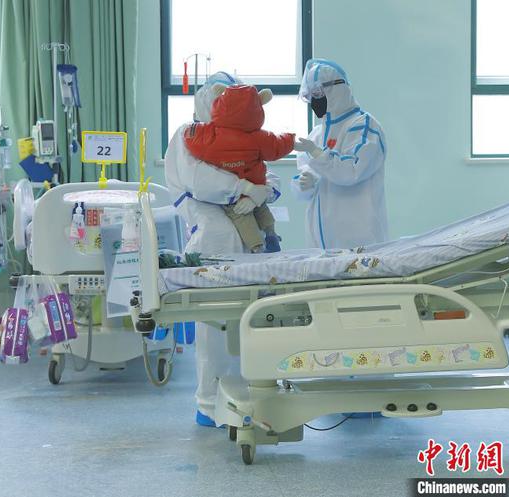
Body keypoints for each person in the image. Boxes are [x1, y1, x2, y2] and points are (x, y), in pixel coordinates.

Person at [164, 72, 280, 427]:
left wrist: (263, 192)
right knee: (216, 325)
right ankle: (209, 400)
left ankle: (257, 391)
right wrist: (243, 187)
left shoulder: (243, 136)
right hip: (211, 232)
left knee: (253, 319)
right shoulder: (189, 135)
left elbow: (264, 172)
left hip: (248, 240)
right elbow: (201, 181)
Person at [184, 84, 294, 253]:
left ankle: (262, 244)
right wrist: (249, 189)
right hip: (213, 235)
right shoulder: (257, 137)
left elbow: (268, 173)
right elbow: (200, 181)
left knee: (247, 218)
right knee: (256, 215)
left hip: (235, 208)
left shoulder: (208, 138)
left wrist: (262, 192)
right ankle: (269, 236)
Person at [292, 59, 388, 249]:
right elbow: (306, 179)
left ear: (338, 89)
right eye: (311, 96)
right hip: (319, 242)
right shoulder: (317, 134)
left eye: (318, 93)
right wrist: (306, 182)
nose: (315, 101)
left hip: (358, 240)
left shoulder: (364, 125)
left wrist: (316, 153)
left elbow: (350, 171)